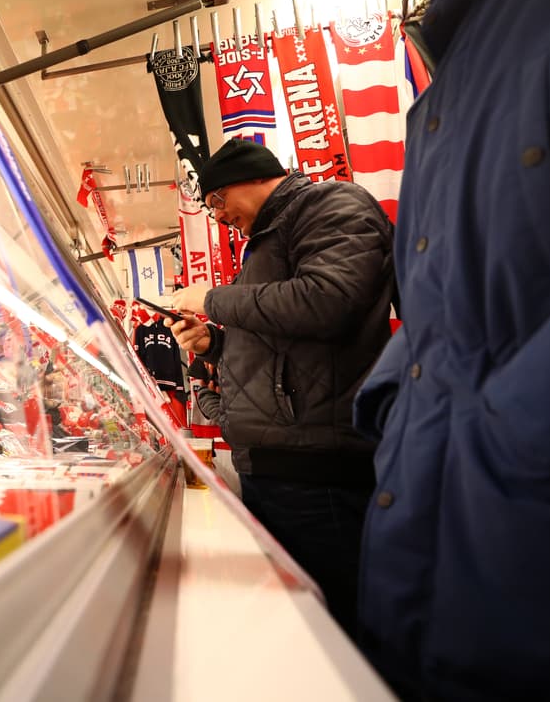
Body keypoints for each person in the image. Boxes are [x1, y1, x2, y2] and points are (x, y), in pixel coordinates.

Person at [353, 0, 550, 698]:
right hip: (437, 583)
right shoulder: (471, 34)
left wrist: (497, 433)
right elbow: (451, 289)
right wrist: (402, 400)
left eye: (221, 205)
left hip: (535, 604)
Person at [165, 138, 395, 634]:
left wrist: (213, 300)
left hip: (319, 472)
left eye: (216, 202)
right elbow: (283, 350)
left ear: (248, 177)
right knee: (301, 626)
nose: (218, 216)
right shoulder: (267, 241)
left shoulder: (331, 204)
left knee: (340, 630)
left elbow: (329, 301)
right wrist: (212, 347)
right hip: (277, 467)